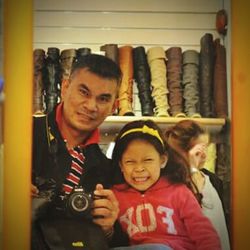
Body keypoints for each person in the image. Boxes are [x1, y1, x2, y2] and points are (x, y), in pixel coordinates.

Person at [31, 53, 122, 250]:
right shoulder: (22, 134)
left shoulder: (107, 169)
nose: (91, 106)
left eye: (103, 98)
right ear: (64, 88)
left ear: (114, 106)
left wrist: (108, 228)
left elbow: (114, 241)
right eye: (84, 92)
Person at [109, 119, 221, 250]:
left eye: (148, 160)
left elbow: (205, 235)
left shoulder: (179, 192)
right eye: (130, 162)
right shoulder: (115, 196)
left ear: (162, 160)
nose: (139, 168)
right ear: (120, 165)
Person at [164, 119, 230, 250]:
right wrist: (191, 167)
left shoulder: (212, 180)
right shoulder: (173, 186)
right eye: (199, 151)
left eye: (207, 147)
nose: (205, 156)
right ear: (181, 152)